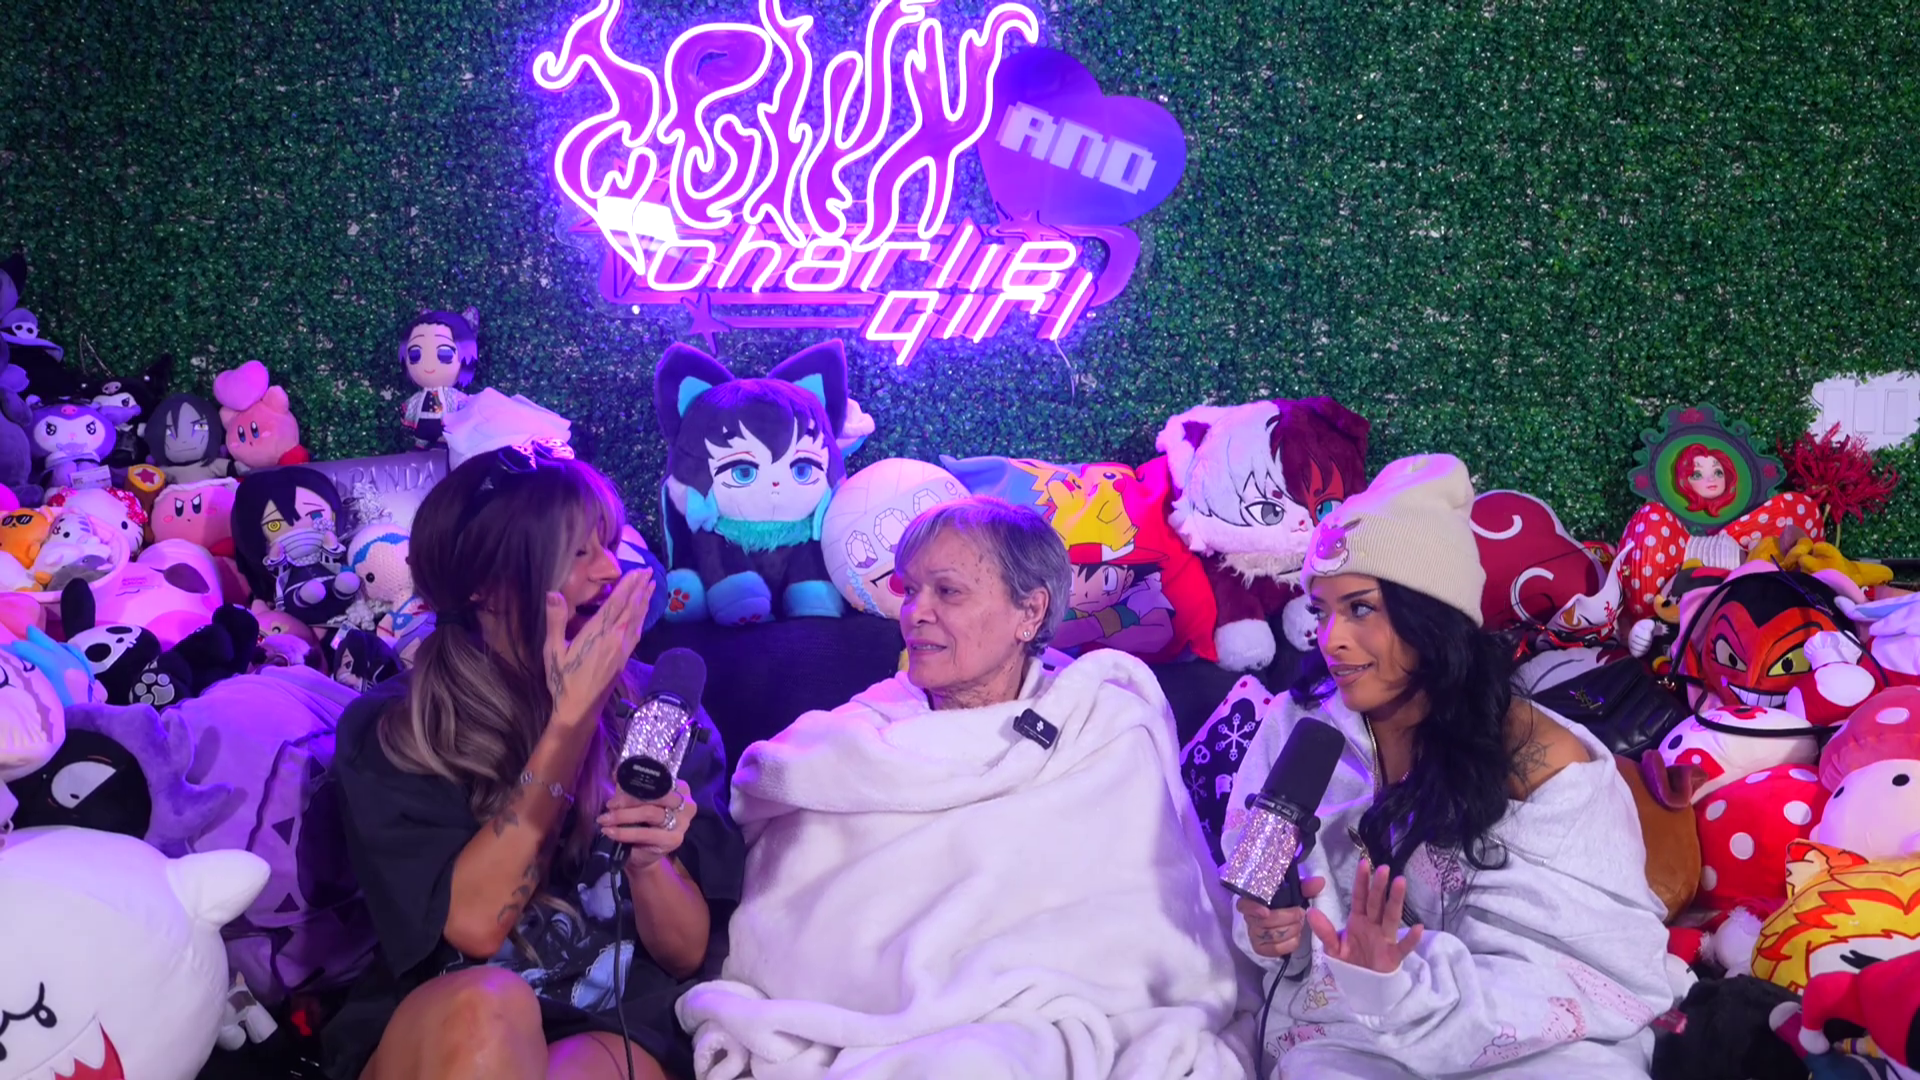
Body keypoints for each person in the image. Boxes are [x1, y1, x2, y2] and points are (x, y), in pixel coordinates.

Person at [677, 495, 1250, 1080]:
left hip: (1051, 1021)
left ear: (1030, 612)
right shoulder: (843, 746)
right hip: (872, 1024)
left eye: (947, 592)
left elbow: (1143, 928)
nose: (915, 613)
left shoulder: (1103, 727)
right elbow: (798, 922)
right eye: (909, 590)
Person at [1223, 455, 1672, 1079]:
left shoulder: (1541, 758)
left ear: (1432, 617)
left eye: (1360, 608)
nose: (1330, 639)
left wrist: (1401, 986)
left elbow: (1569, 968)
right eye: (1322, 611)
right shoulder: (1293, 726)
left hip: (1523, 1036)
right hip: (1348, 1031)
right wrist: (1275, 932)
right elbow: (1259, 901)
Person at [322, 444, 745, 1080]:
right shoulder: (396, 729)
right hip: (449, 1021)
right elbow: (474, 926)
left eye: (608, 544)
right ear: (484, 584)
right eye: (577, 552)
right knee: (488, 1011)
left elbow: (685, 956)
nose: (610, 570)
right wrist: (568, 723)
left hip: (612, 1027)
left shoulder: (662, 711)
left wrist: (649, 859)